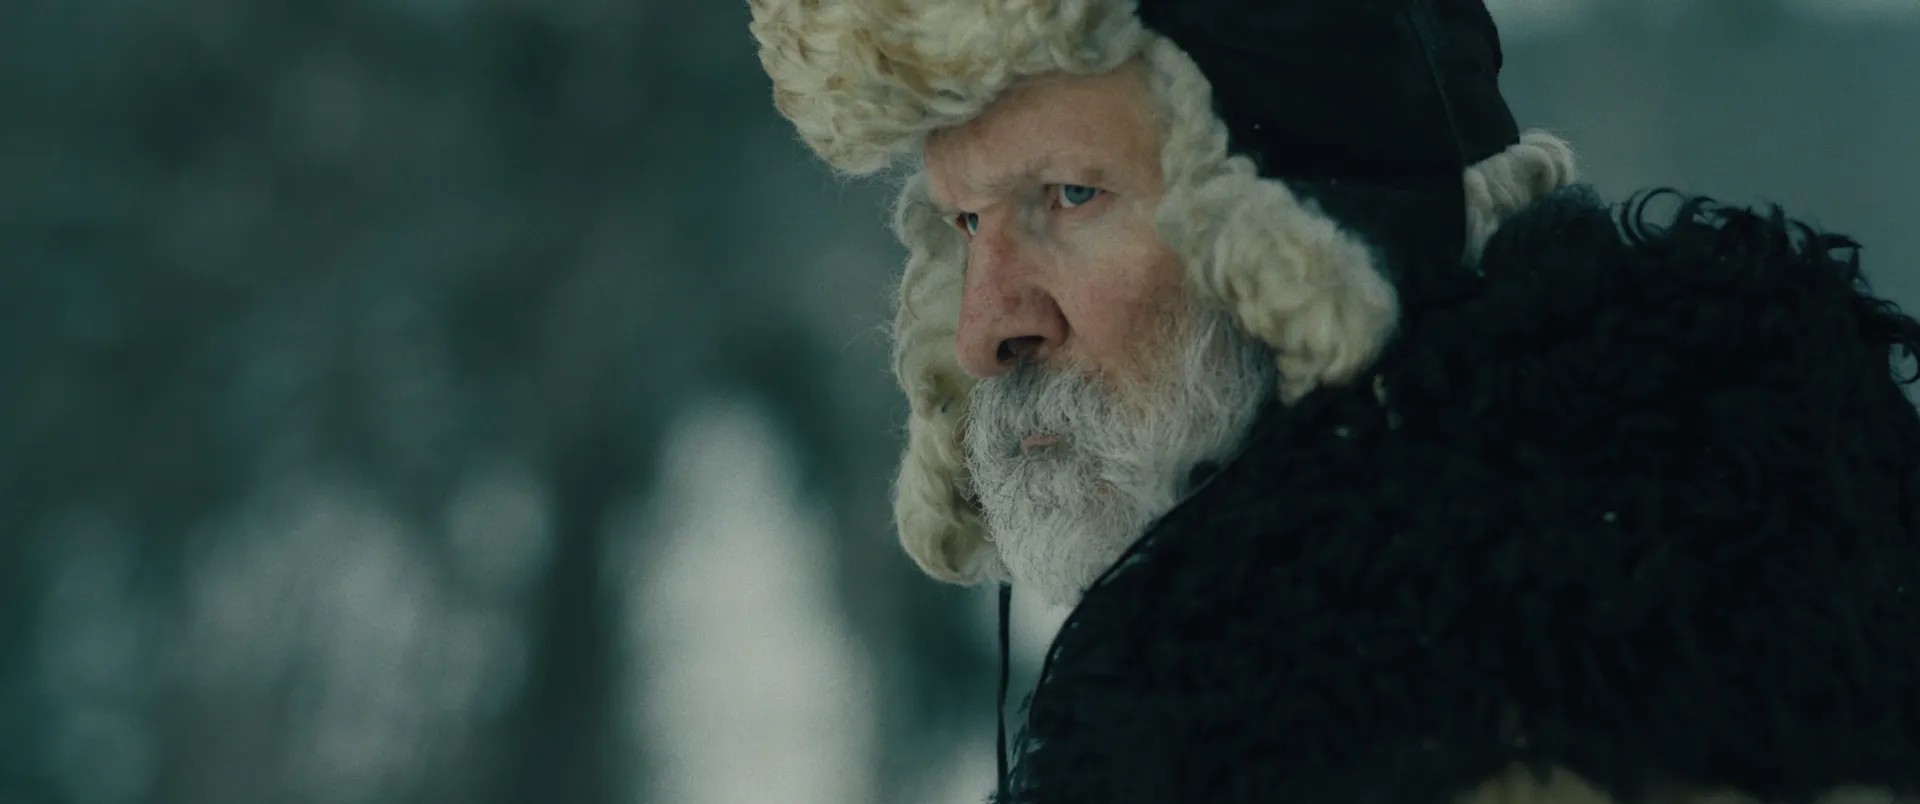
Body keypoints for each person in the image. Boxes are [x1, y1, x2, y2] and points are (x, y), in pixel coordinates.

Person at [749, 1, 1920, 802]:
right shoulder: (1262, 679)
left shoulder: (1513, 722)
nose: (987, 328)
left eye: (1069, 195)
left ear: (1319, 224)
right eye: (965, 223)